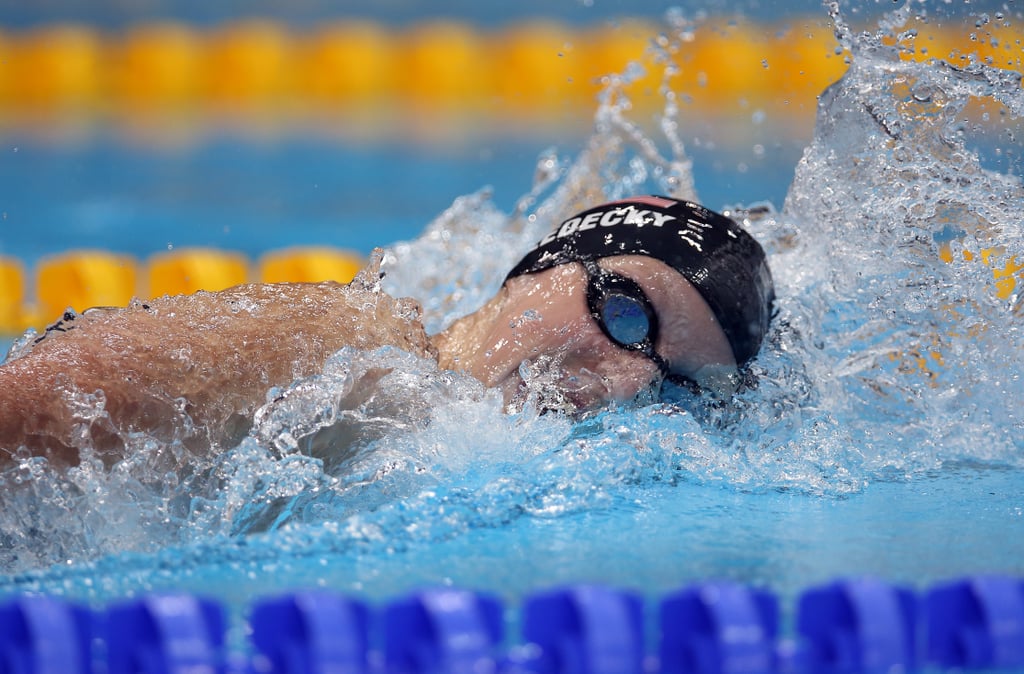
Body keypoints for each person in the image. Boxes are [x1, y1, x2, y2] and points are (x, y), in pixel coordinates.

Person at [0, 195, 774, 466]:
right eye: (627, 315)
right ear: (537, 269)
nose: (634, 381)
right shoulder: (343, 346)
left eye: (680, 389)